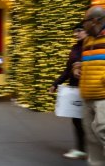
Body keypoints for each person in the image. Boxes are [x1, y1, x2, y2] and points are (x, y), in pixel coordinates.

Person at [49, 23, 87, 159]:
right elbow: (67, 70)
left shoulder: (93, 47)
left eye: (79, 31)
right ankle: (82, 149)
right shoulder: (75, 48)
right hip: (75, 89)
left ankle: (90, 149)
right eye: (75, 32)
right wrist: (56, 84)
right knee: (77, 119)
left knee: (93, 121)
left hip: (90, 88)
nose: (76, 34)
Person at [73, 6, 105, 166]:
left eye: (85, 21)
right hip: (87, 95)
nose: (83, 25)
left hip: (103, 96)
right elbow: (86, 62)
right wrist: (77, 67)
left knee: (102, 131)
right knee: (91, 136)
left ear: (95, 21)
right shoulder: (87, 41)